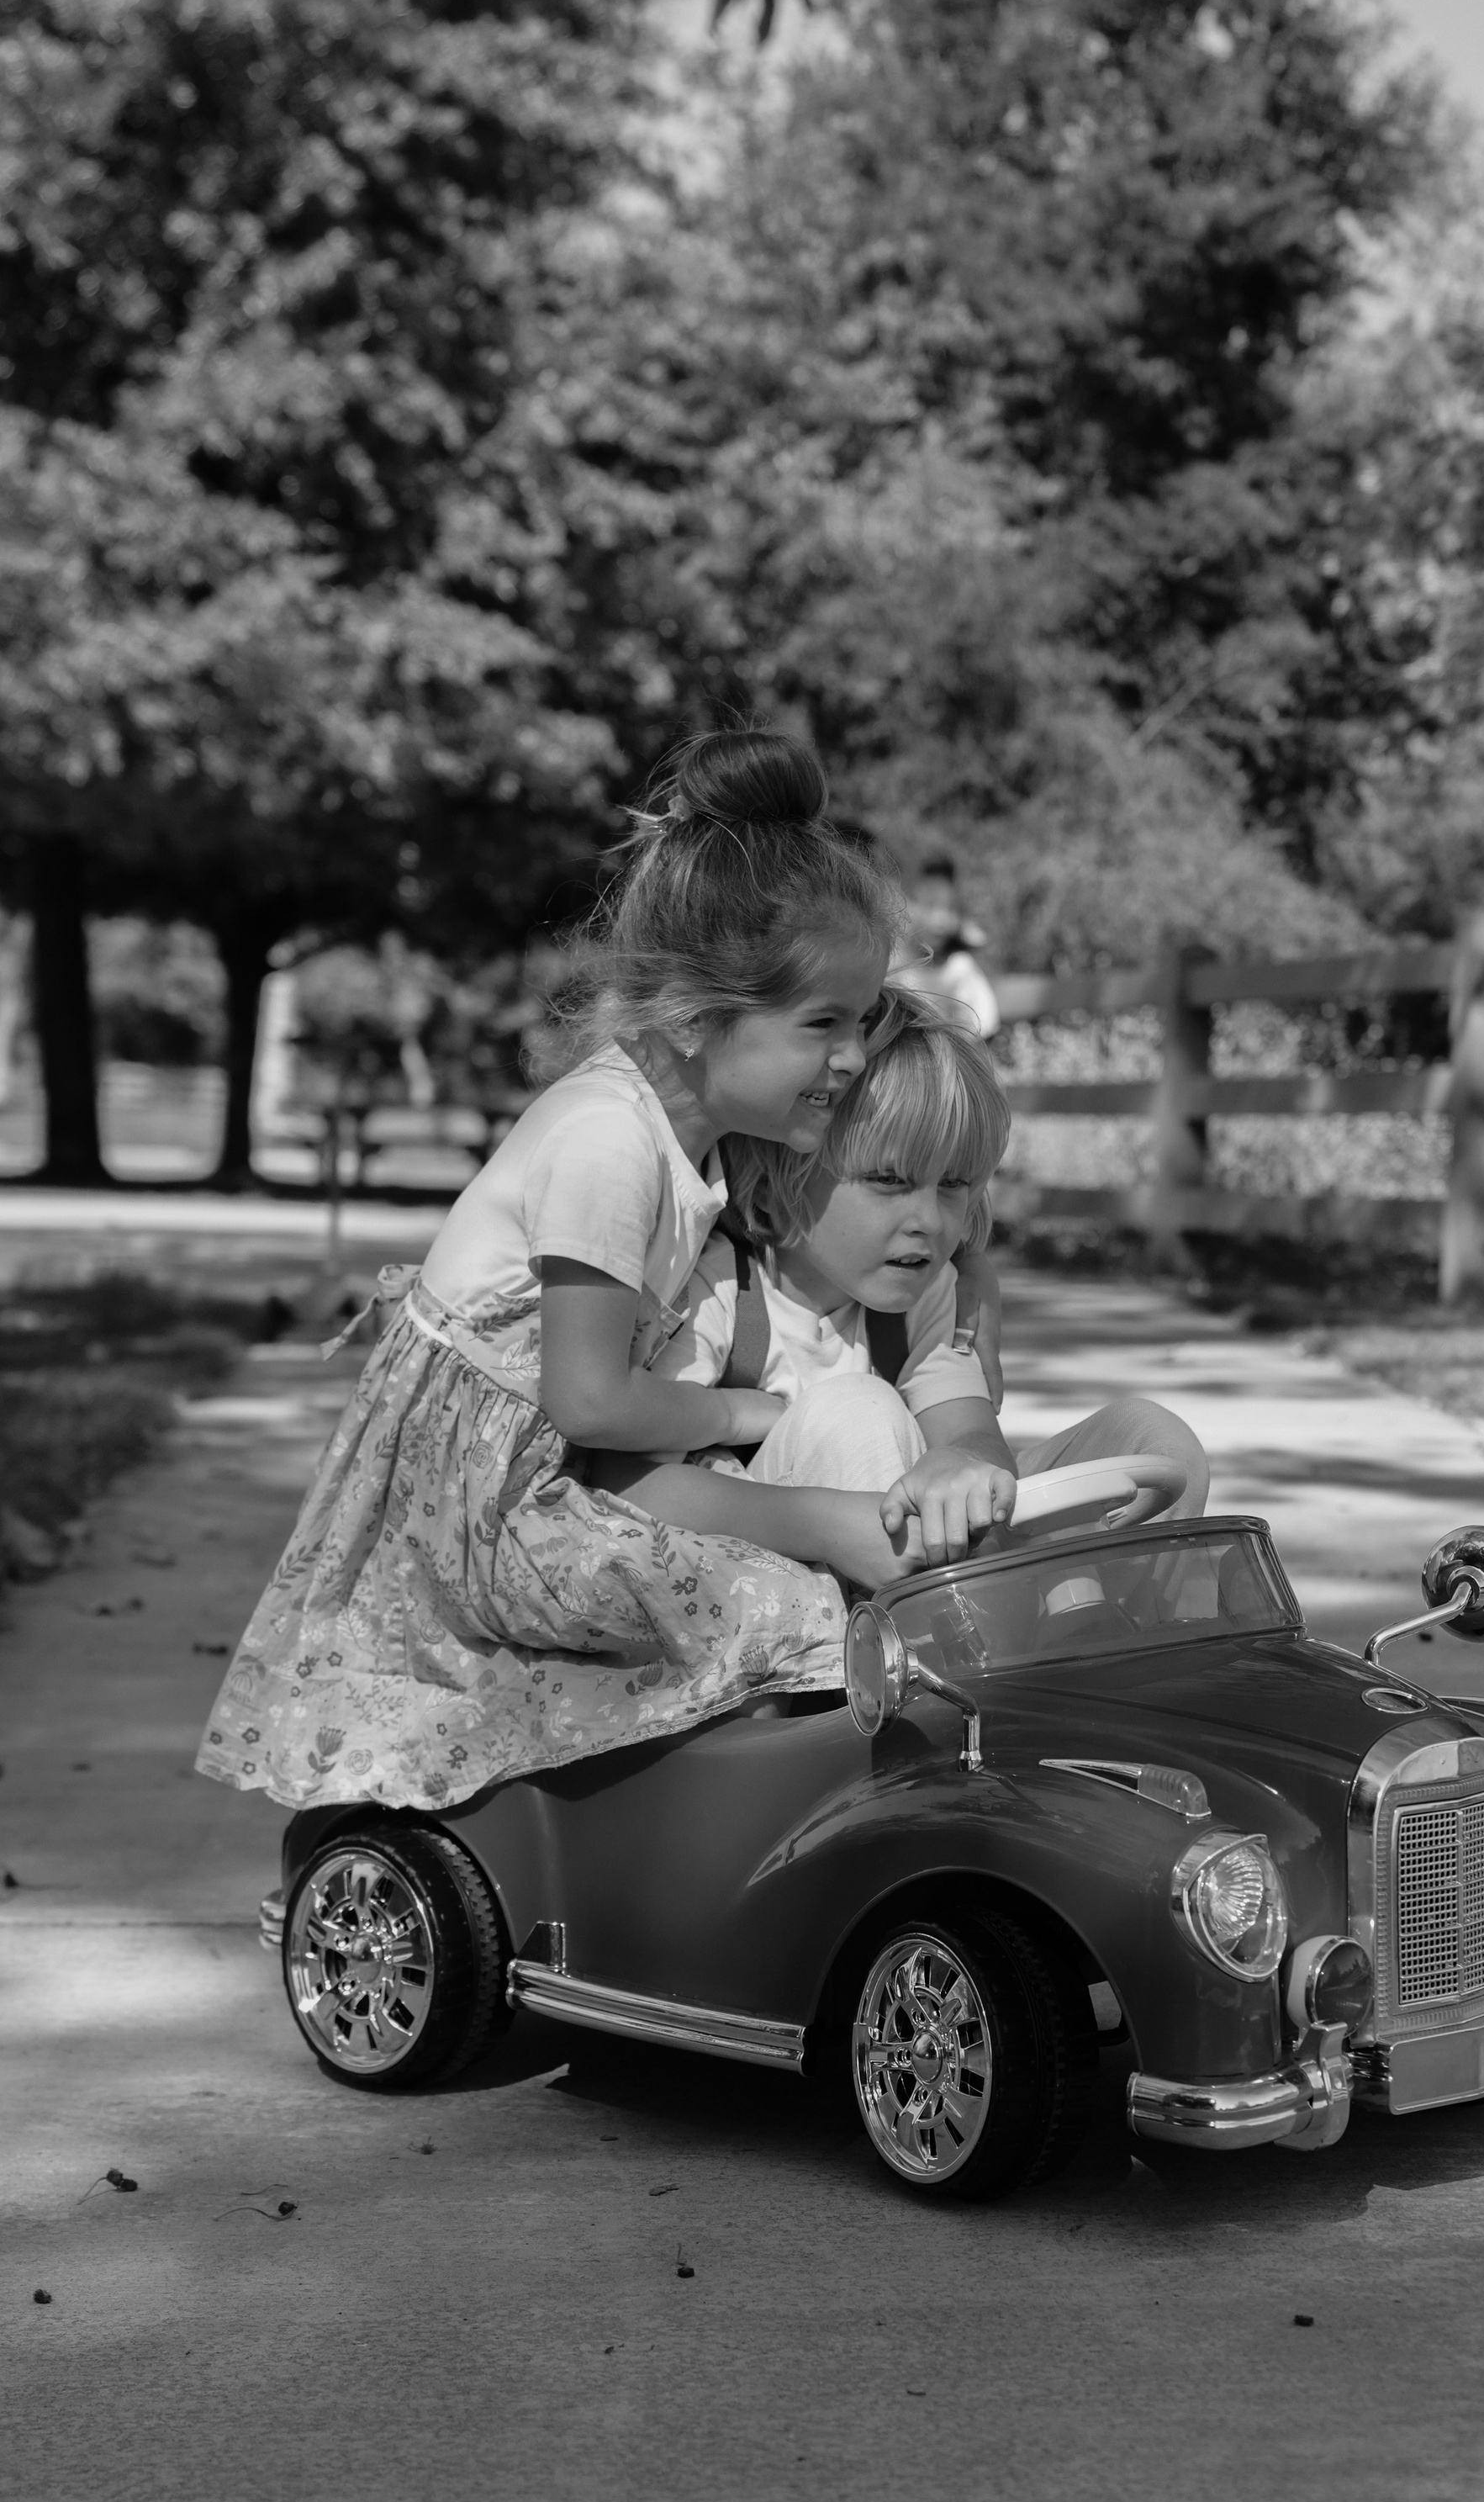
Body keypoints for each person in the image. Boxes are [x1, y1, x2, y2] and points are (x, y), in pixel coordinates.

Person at [196, 731, 928, 1816]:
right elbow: (587, 1400)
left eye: (862, 1022)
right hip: (489, 1512)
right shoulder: (607, 1141)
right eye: (823, 1023)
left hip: (559, 1468)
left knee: (810, 1564)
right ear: (691, 1014)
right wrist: (755, 1409)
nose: (854, 1056)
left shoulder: (699, 1133)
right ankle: (715, 1841)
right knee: (783, 1608)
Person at [589, 989, 1208, 1558]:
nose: (928, 1221)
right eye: (890, 1180)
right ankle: (937, 1654)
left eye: (954, 1185)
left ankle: (1109, 1640)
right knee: (861, 1410)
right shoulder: (721, 1293)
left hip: (927, 1542)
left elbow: (971, 1433)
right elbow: (629, 1483)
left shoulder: (925, 1300)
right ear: (779, 1189)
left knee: (1155, 1442)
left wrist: (959, 1467)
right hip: (781, 1563)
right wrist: (827, 1522)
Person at [899, 854, 1000, 1039]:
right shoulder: (896, 964)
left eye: (949, 909)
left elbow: (982, 1029)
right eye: (930, 906)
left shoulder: (960, 968)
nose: (940, 920)